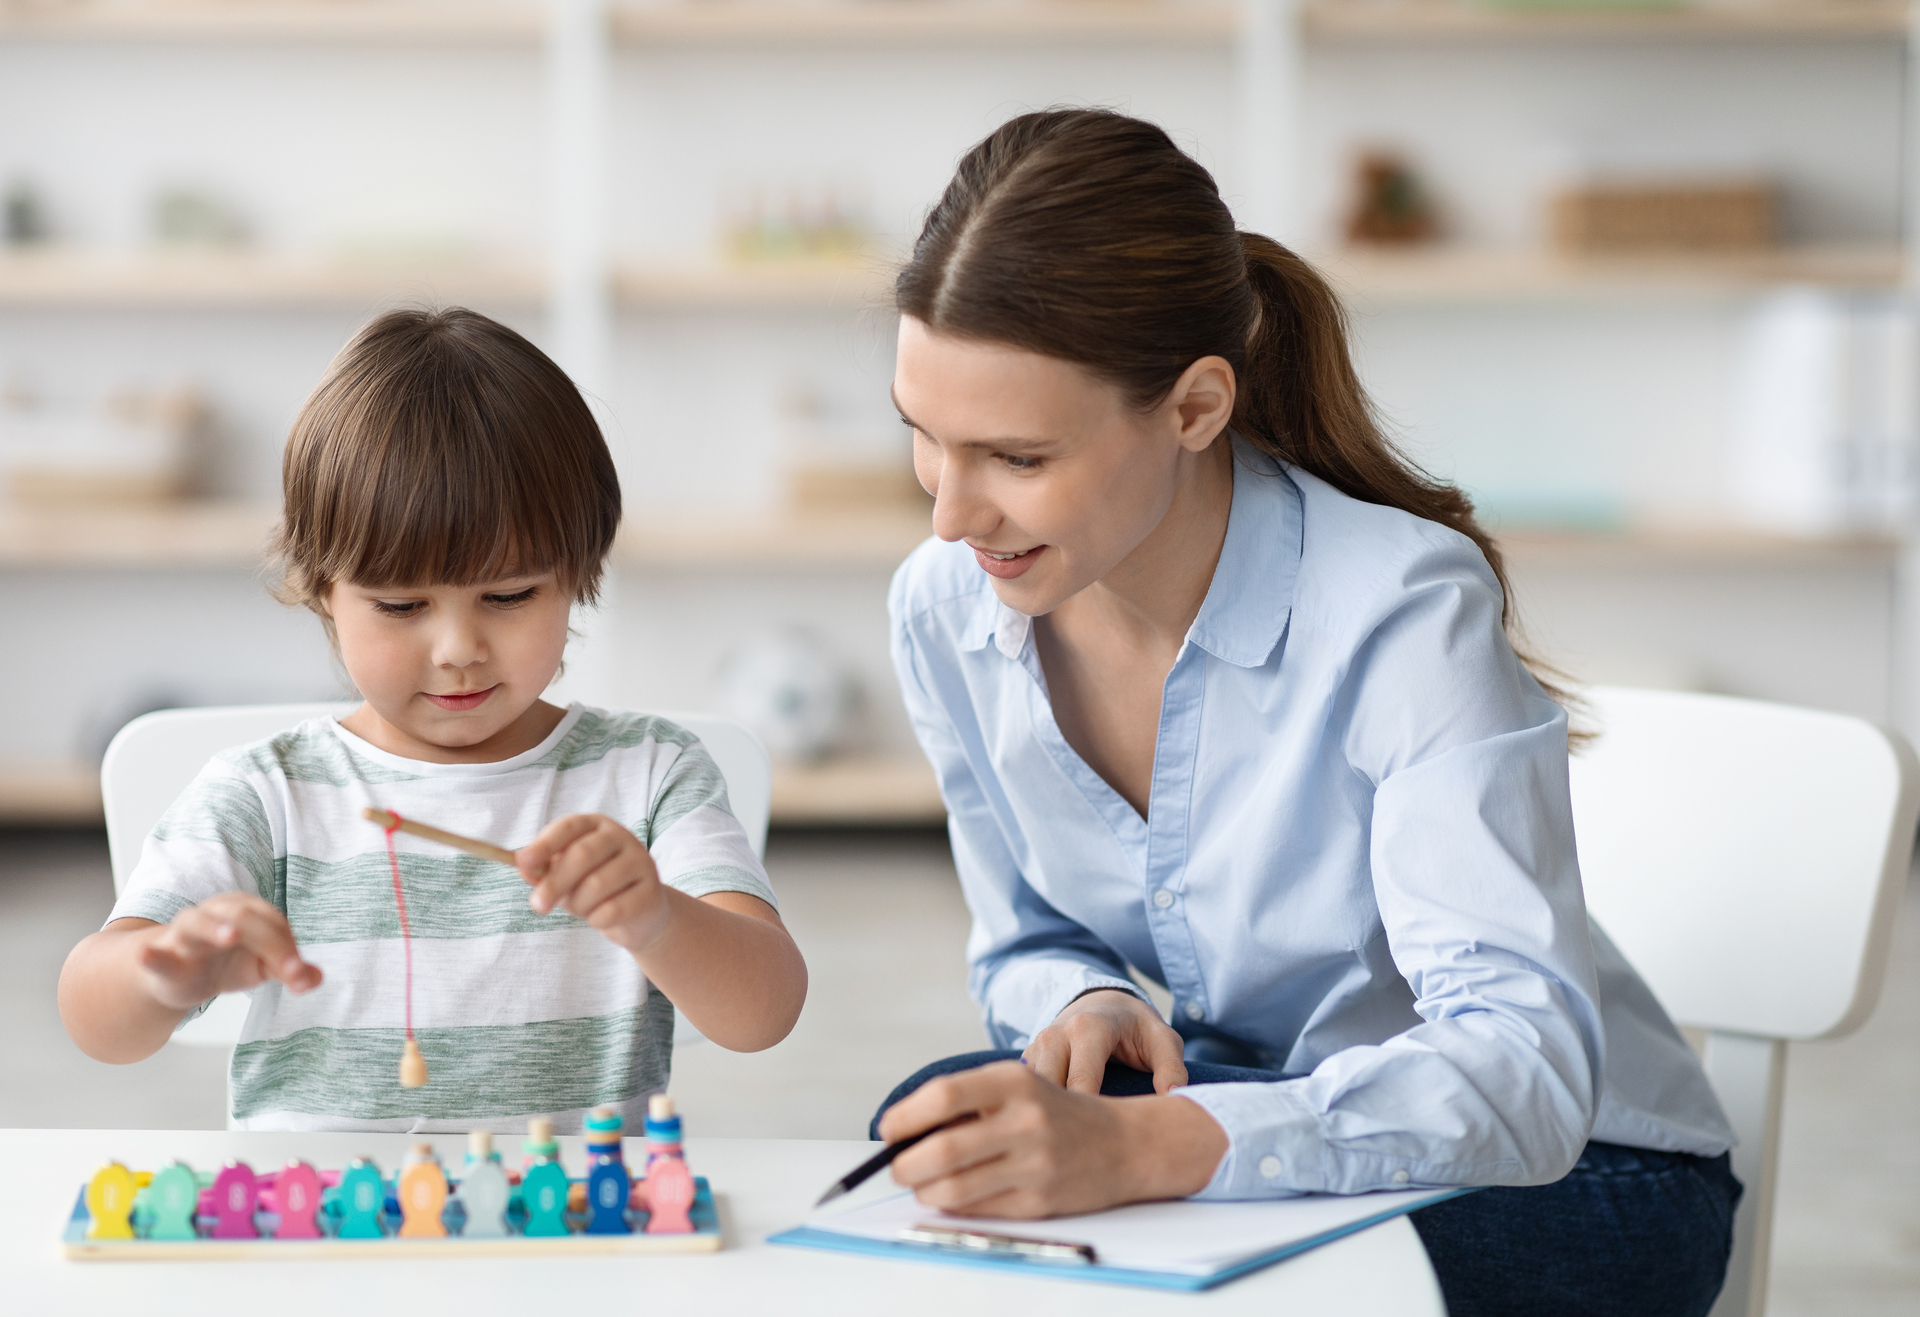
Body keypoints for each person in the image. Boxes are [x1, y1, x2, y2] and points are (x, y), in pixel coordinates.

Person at [872, 109, 1740, 1317]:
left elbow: (1526, 1075)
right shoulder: (946, 610)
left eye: (1016, 458)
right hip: (1246, 1104)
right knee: (942, 1125)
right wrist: (1088, 1000)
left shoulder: (1401, 607)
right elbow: (1024, 940)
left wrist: (1148, 1147)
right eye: (925, 437)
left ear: (1192, 409)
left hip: (1572, 1177)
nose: (951, 516)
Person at [58, 307, 807, 1132]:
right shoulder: (264, 794)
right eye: (402, 603)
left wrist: (658, 916)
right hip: (326, 1241)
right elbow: (97, 1022)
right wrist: (163, 974)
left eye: (510, 595)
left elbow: (763, 1013)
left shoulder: (650, 772)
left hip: (573, 1242)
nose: (458, 648)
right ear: (322, 589)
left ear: (581, 572)